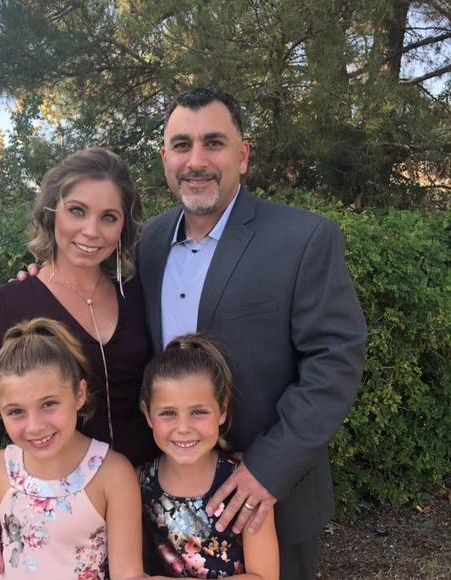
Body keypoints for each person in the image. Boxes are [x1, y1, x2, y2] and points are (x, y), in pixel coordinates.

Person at [135, 88, 367, 579]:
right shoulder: (147, 242)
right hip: (167, 512)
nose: (196, 161)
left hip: (269, 502)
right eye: (181, 145)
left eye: (213, 143)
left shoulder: (303, 238)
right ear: (165, 158)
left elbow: (335, 360)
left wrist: (269, 467)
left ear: (242, 155)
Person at [0, 148, 158, 579]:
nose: (91, 230)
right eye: (77, 210)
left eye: (109, 217)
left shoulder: (138, 296)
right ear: (51, 211)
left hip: (146, 511)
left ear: (124, 226)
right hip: (58, 531)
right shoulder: (5, 307)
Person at [0, 317, 143, 579]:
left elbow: (128, 575)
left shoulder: (113, 474)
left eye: (49, 404)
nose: (35, 426)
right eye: (16, 411)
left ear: (79, 394)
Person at [138, 333, 279, 579]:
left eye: (198, 412)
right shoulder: (137, 483)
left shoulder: (246, 485)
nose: (183, 428)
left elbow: (264, 576)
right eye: (168, 413)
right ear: (148, 414)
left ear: (222, 410)